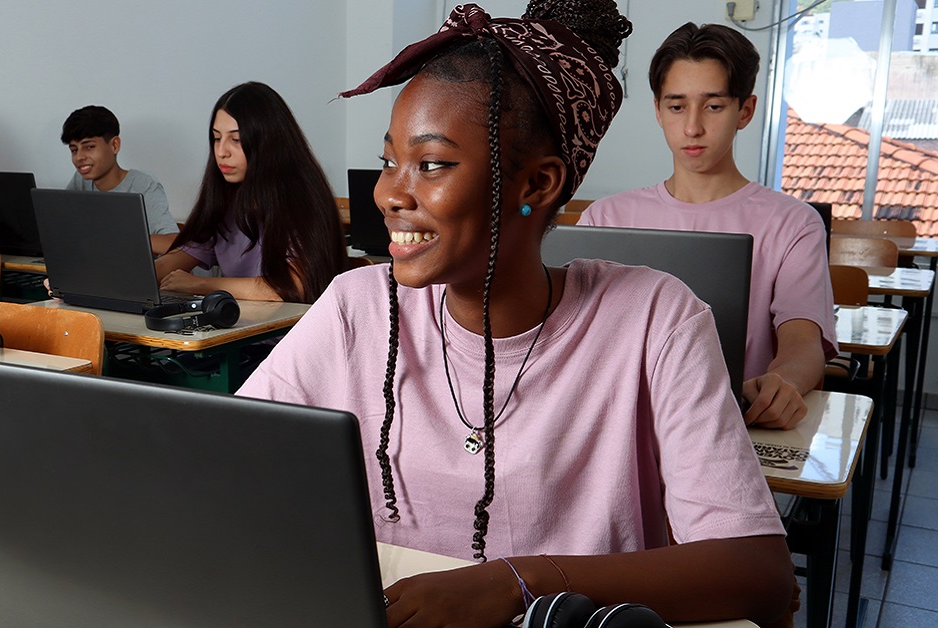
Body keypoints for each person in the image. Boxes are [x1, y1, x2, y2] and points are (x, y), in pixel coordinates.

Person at [238, 3, 793, 627]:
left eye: (432, 164)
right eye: (390, 160)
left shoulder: (655, 320)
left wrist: (517, 583)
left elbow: (760, 574)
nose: (390, 193)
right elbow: (226, 467)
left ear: (537, 185)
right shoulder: (357, 307)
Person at [581, 22, 837, 430]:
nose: (692, 127)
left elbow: (803, 340)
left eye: (713, 106)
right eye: (677, 106)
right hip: (622, 421)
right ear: (658, 110)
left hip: (732, 422)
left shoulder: (792, 223)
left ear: (745, 111)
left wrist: (782, 382)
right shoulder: (604, 218)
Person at [153, 82, 346, 303]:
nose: (221, 152)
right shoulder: (225, 200)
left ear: (267, 142)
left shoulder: (302, 200)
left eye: (235, 140)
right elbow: (173, 262)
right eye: (217, 138)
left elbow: (292, 287)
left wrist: (201, 284)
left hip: (287, 334)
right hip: (239, 332)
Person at [62, 105, 179, 255]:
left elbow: (172, 243)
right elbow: (63, 229)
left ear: (114, 145)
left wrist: (115, 238)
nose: (79, 157)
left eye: (89, 147)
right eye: (74, 150)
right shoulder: (80, 182)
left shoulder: (144, 185)